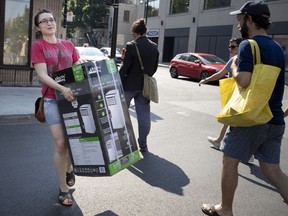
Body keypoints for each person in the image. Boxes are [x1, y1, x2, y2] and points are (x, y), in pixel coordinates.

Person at [201, 2, 288, 216]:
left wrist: (233, 66)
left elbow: (244, 81)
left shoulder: (248, 45)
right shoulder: (278, 48)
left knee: (229, 160)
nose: (238, 22)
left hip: (252, 119)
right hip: (275, 119)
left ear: (249, 19)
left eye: (240, 18)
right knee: (271, 168)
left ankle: (225, 209)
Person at [31, 9, 80, 207]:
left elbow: (77, 67)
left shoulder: (68, 44)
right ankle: (63, 190)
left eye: (51, 20)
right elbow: (42, 75)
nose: (49, 23)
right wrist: (61, 89)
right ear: (38, 27)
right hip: (52, 99)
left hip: (73, 99)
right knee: (61, 144)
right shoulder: (38, 46)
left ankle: (69, 169)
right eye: (44, 21)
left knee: (72, 143)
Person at [119, 18, 159, 152]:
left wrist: (118, 80)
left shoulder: (131, 46)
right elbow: (154, 68)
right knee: (144, 116)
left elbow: (125, 68)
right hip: (144, 87)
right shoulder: (154, 46)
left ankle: (126, 143)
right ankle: (143, 144)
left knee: (122, 114)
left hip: (128, 86)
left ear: (135, 32)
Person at [199, 37, 243, 150]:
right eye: (229, 47)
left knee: (236, 121)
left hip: (238, 95)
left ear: (241, 47)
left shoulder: (236, 59)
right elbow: (221, 74)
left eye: (233, 47)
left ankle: (246, 151)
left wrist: (206, 80)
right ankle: (219, 140)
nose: (230, 49)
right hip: (240, 95)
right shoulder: (246, 59)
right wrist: (206, 79)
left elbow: (220, 74)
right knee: (231, 119)